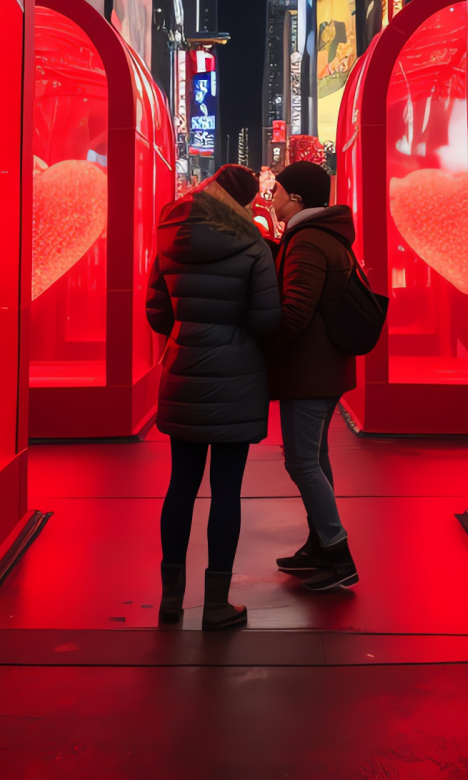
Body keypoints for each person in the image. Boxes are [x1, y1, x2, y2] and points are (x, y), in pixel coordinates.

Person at [145, 164, 278, 629]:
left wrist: (188, 328)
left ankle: (170, 600)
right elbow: (267, 320)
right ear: (240, 203)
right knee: (226, 491)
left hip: (182, 373)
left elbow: (157, 312)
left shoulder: (168, 233)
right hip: (236, 376)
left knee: (180, 485)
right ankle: (218, 604)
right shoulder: (252, 245)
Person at [265, 161, 359, 591]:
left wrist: (261, 344)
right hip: (325, 367)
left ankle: (338, 553)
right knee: (315, 459)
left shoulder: (306, 242)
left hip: (309, 370)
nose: (272, 197)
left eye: (278, 190)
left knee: (302, 462)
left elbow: (295, 313)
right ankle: (319, 544)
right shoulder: (328, 236)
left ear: (297, 198)